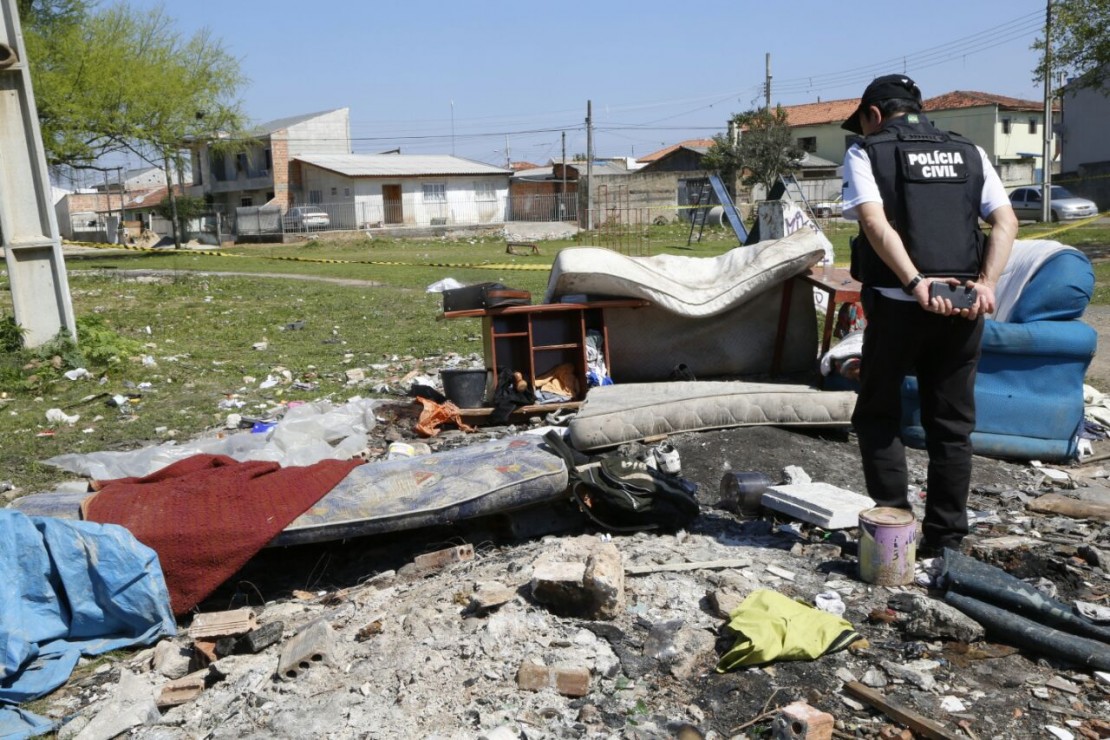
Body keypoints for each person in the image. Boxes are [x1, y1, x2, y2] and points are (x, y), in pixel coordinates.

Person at [839, 74, 1018, 557]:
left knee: (878, 413)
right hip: (963, 308)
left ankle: (894, 528)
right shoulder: (970, 152)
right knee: (952, 426)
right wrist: (987, 285)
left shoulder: (866, 151)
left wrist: (916, 284)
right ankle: (945, 542)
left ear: (874, 115)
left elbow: (874, 223)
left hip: (899, 308)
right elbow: (1006, 221)